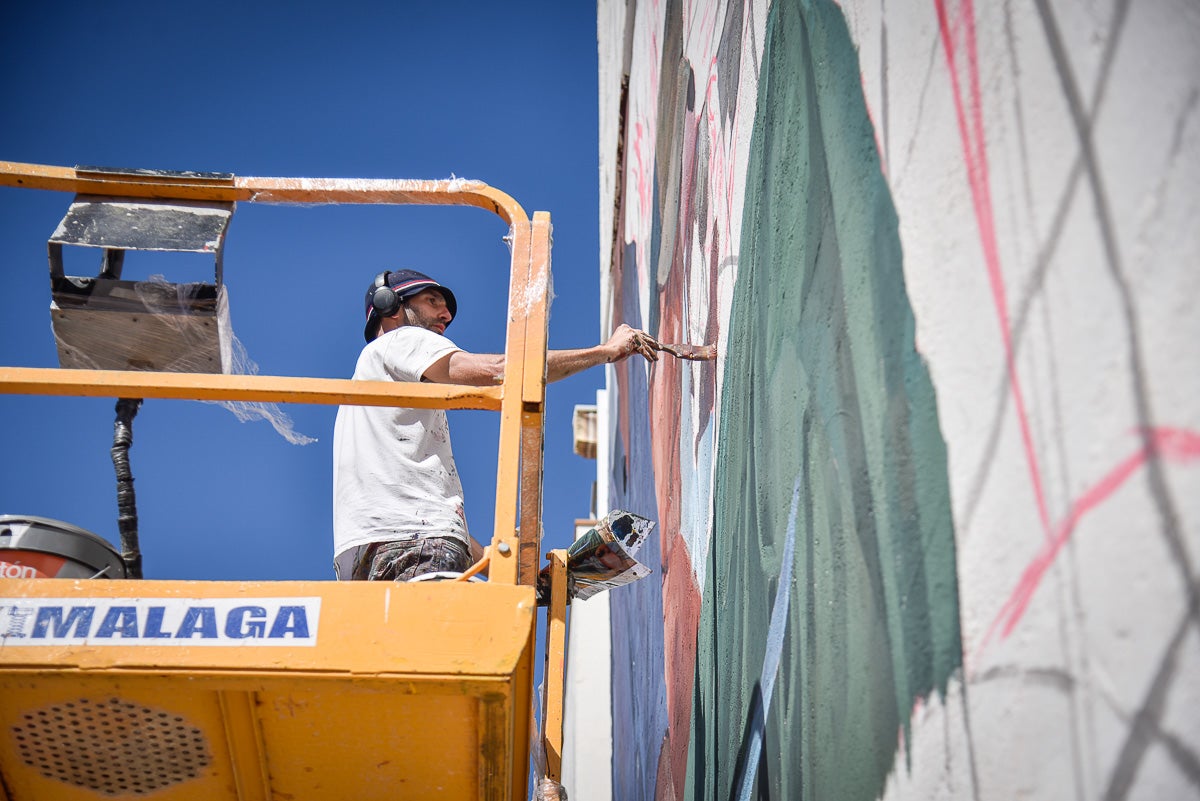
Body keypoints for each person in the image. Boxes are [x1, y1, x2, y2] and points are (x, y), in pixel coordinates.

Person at [332, 268, 658, 582]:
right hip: (414, 548)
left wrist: (502, 567)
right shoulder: (401, 339)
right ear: (390, 307)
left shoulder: (368, 398)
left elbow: (419, 516)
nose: (445, 315)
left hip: (359, 562)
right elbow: (500, 370)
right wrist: (606, 351)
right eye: (432, 301)